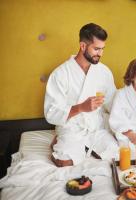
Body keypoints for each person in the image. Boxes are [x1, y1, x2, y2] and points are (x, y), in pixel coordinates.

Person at [44, 23, 118, 167]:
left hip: (95, 127)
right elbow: (51, 113)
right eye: (96, 49)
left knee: (115, 154)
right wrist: (80, 108)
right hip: (72, 128)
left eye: (102, 49)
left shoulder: (104, 72)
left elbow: (112, 103)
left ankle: (86, 147)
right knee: (64, 161)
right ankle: (59, 141)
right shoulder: (60, 74)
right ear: (83, 46)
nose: (100, 54)